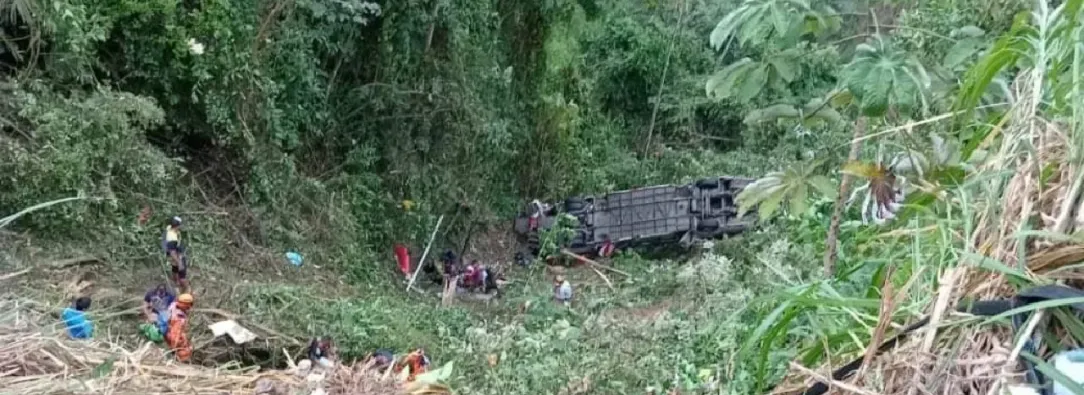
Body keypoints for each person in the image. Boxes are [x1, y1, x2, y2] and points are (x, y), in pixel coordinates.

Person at [162, 217, 189, 292]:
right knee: (182, 277)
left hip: (172, 258)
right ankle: (187, 292)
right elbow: (172, 252)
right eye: (180, 225)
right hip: (177, 257)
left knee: (175, 271)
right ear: (177, 225)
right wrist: (179, 263)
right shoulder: (172, 238)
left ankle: (177, 287)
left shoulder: (169, 228)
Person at [165, 293, 194, 362]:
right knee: (186, 351)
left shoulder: (172, 307)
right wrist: (178, 346)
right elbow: (175, 335)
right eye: (188, 305)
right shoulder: (178, 317)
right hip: (171, 337)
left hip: (167, 334)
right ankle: (181, 363)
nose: (189, 308)